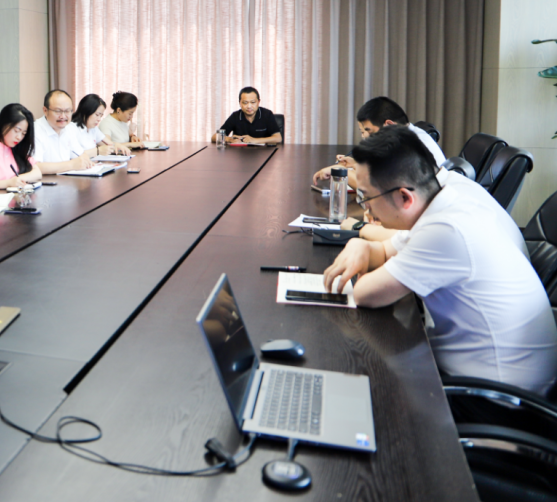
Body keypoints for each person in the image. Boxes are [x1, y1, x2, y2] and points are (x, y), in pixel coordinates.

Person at [322, 125, 557, 394]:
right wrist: (360, 245)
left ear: (404, 197)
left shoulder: (446, 230)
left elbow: (367, 294)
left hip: (497, 397)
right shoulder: (447, 203)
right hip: (489, 377)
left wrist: (364, 251)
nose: (366, 207)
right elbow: (384, 251)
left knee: (365, 382)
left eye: (367, 197)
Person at [313, 96, 446, 189]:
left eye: (369, 131)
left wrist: (342, 172)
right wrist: (354, 165)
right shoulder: (407, 136)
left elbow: (378, 190)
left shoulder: (410, 146)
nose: (366, 138)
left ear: (389, 125)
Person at [32, 89, 95, 174]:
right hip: (46, 181)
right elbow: (35, 166)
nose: (63, 116)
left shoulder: (69, 128)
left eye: (67, 111)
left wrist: (86, 162)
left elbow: (81, 155)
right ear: (45, 111)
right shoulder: (35, 131)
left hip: (66, 179)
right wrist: (71, 165)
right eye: (58, 111)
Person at [0, 103, 43, 186]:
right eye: (16, 131)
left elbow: (37, 173)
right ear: (4, 124)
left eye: (23, 133)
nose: (19, 137)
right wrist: (9, 183)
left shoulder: (16, 147)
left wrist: (18, 179)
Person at [213, 87, 282, 145]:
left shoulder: (267, 114)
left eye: (253, 102)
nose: (249, 106)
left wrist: (254, 140)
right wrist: (229, 139)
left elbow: (278, 138)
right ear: (240, 103)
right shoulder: (235, 116)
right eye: (245, 103)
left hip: (264, 153)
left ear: (258, 102)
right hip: (241, 153)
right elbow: (215, 137)